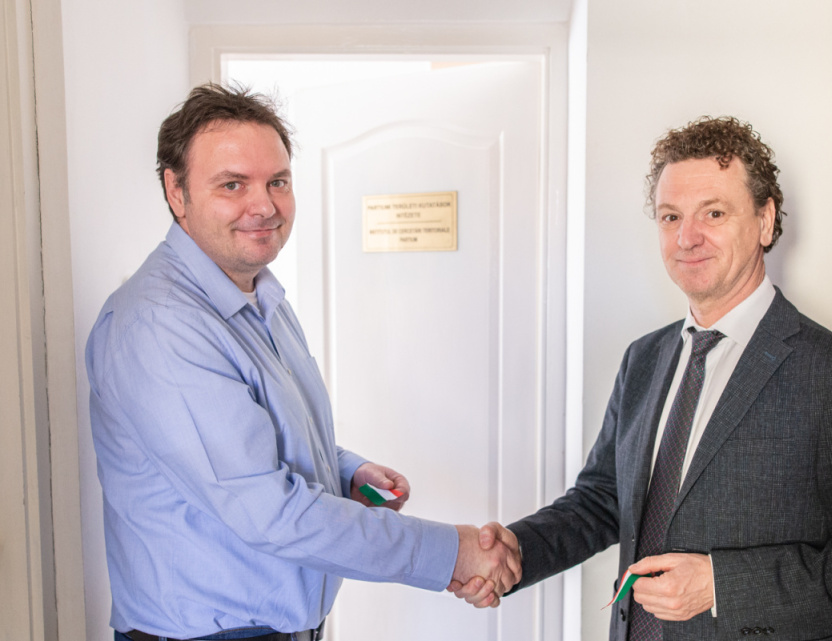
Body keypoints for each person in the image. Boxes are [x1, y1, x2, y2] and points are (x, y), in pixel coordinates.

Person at [452, 116, 832, 641]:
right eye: (670, 217)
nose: (687, 237)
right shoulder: (645, 358)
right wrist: (517, 550)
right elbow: (604, 499)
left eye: (713, 213)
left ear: (765, 221)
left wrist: (721, 585)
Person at [86, 83, 520, 641]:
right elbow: (269, 511)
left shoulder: (258, 295)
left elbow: (256, 439)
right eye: (233, 184)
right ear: (176, 191)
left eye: (278, 182)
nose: (264, 206)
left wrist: (346, 472)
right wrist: (453, 553)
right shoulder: (160, 326)